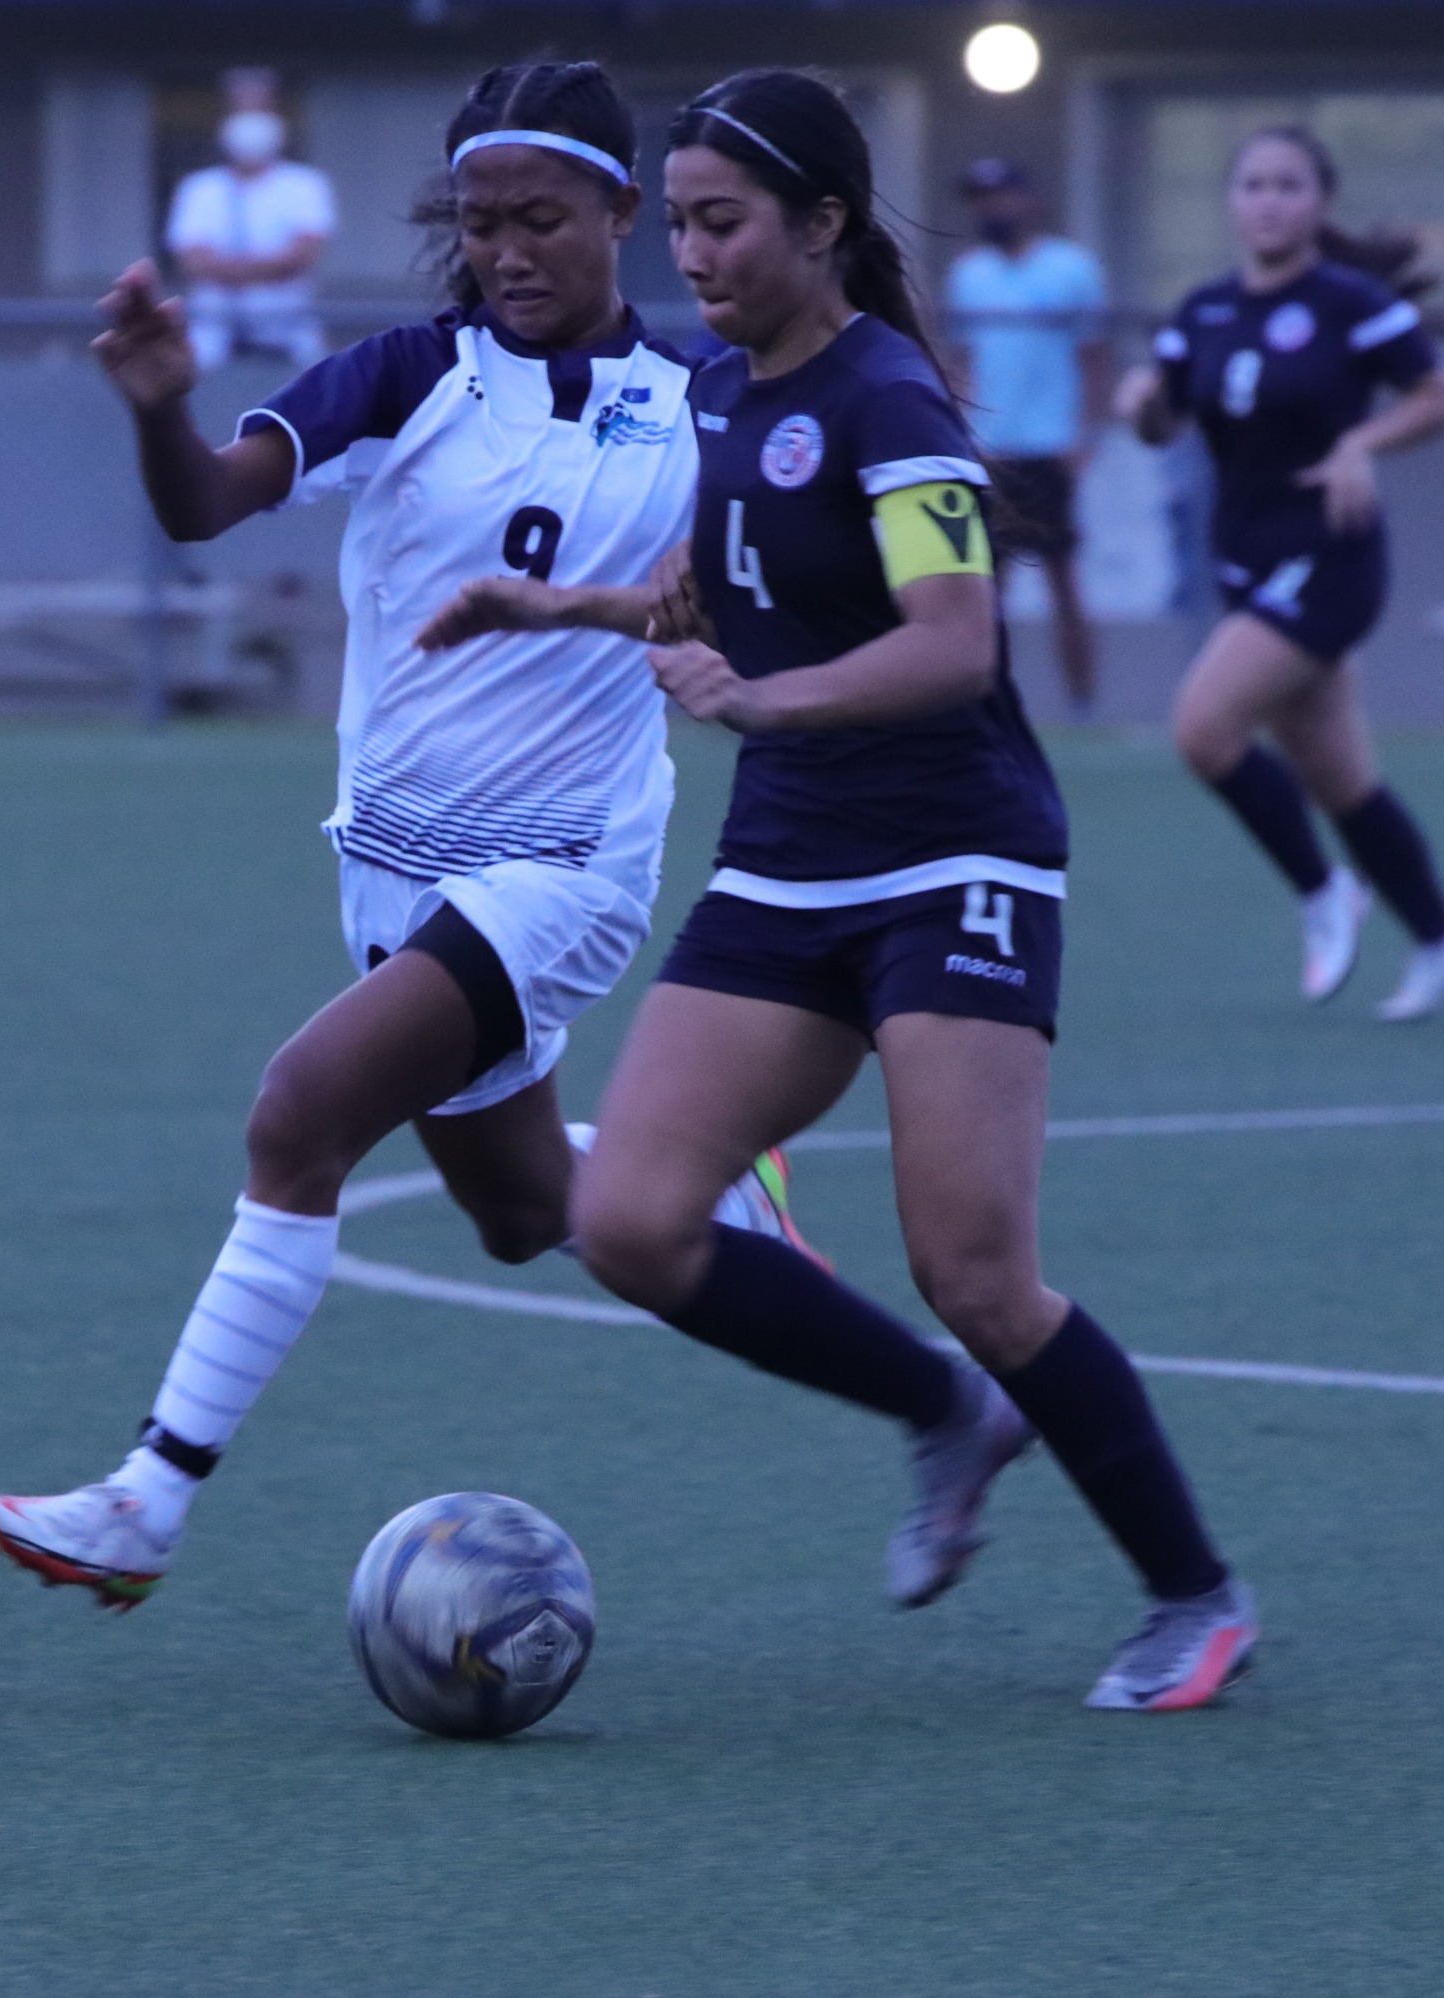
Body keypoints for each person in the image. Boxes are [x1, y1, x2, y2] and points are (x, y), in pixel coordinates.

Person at [431, 69, 1256, 1712]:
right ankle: (946, 1412)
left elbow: (952, 644)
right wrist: (552, 608)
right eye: (677, 227)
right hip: (788, 861)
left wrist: (761, 702)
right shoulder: (721, 392)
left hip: (954, 861)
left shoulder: (892, 404)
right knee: (628, 1221)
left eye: (721, 223)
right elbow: (705, 595)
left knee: (976, 1272)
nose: (692, 256)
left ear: (822, 225)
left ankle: (1194, 1595)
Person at [0, 61, 806, 1609]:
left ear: (620, 214)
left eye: (540, 220)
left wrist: (729, 611)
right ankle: (695, 1179)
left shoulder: (706, 399)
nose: (506, 252)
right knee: (518, 1212)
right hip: (391, 872)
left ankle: (147, 1501)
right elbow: (205, 503)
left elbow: (785, 575)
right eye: (479, 224)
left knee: (300, 1117)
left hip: (564, 869)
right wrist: (160, 409)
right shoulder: (409, 375)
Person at [1115, 126, 1444, 1020]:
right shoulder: (1204, 310)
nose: (1268, 201)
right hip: (1244, 557)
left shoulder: (1349, 303)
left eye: (1288, 185)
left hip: (1330, 557)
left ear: (1320, 202)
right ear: (1231, 203)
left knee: (1203, 728)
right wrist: (1140, 405)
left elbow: (1442, 399)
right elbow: (1160, 426)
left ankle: (1324, 891)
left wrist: (1361, 442)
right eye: (1252, 185)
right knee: (1337, 778)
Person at [943, 158, 1109, 717]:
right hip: (990, 453)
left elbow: (1095, 358)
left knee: (1064, 581)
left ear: (1029, 200)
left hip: (1048, 451)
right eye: (981, 200)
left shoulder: (1071, 269)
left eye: (1000, 196)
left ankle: (1082, 704)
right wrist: (961, 435)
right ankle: (982, 700)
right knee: (986, 587)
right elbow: (961, 363)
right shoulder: (969, 275)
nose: (991, 209)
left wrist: (1086, 439)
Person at [166, 69, 337, 372]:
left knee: (318, 371)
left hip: (288, 323)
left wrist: (227, 270)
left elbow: (302, 256)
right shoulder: (200, 188)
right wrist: (268, 268)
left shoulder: (306, 184)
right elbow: (193, 261)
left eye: (260, 108)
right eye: (241, 109)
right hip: (212, 326)